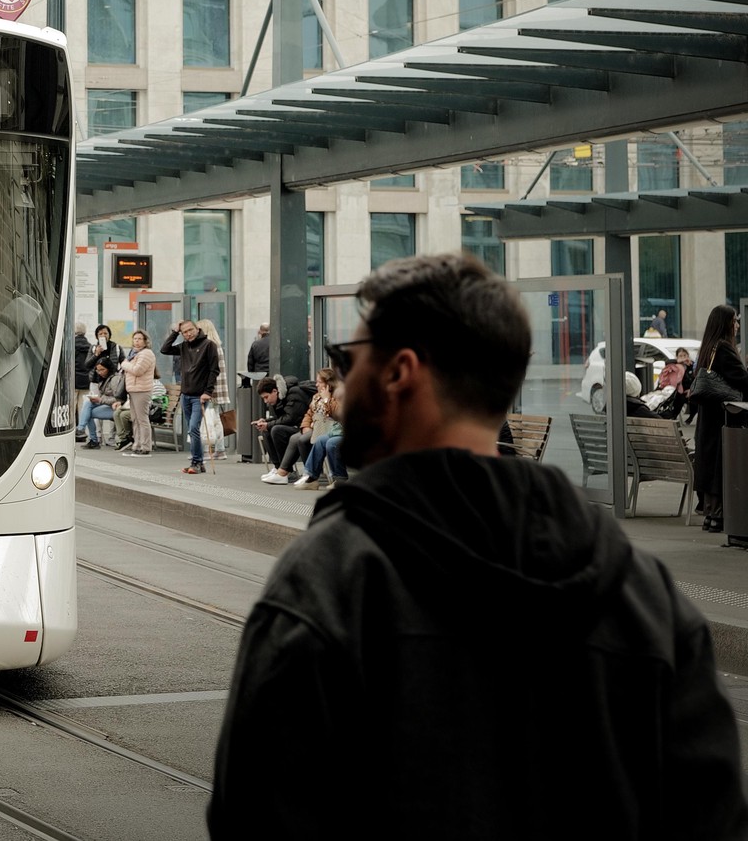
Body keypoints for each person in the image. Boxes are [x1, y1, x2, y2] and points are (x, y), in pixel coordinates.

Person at [209, 253, 747, 839]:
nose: (341, 379)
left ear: (400, 372)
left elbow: (255, 814)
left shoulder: (328, 582)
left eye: (347, 358)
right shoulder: (642, 593)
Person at [689, 305, 748, 532]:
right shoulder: (724, 349)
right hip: (723, 416)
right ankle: (718, 516)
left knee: (711, 463)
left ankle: (710, 514)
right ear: (726, 324)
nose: (737, 325)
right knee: (721, 464)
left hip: (708, 416)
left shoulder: (708, 347)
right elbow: (742, 380)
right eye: (734, 321)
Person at [162, 319, 220, 474]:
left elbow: (214, 370)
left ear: (197, 329)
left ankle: (197, 462)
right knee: (191, 429)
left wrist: (208, 392)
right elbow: (164, 349)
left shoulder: (209, 345)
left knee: (194, 428)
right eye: (184, 332)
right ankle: (198, 463)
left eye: (190, 330)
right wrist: (175, 332)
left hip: (199, 396)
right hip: (186, 394)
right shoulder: (184, 346)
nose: (188, 334)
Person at [253, 374, 317, 476]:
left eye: (266, 397)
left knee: (276, 430)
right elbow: (282, 418)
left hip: (305, 427)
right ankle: (278, 467)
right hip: (297, 426)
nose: (266, 401)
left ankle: (287, 471)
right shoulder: (280, 397)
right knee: (267, 431)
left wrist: (268, 424)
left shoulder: (294, 393)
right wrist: (265, 422)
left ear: (275, 391)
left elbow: (291, 418)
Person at [120, 330, 158, 455]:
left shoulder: (146, 353)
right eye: (135, 338)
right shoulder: (133, 353)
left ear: (145, 341)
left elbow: (137, 370)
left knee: (142, 419)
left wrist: (124, 364)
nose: (136, 341)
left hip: (142, 389)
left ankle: (145, 446)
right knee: (135, 419)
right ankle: (137, 444)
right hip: (133, 389)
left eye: (140, 339)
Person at [76, 358, 125, 448]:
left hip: (116, 407)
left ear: (108, 368)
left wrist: (100, 400)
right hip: (107, 404)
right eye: (98, 370)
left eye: (102, 370)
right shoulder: (102, 378)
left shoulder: (114, 379)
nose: (100, 372)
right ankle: (82, 430)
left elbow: (118, 399)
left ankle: (87, 435)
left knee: (88, 413)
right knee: (87, 404)